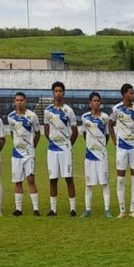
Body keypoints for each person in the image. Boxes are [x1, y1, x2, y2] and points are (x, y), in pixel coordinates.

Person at [109, 83, 134, 218]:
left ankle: (132, 210)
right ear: (124, 95)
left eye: (133, 93)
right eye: (131, 93)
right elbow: (110, 124)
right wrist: (114, 141)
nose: (133, 95)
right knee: (120, 179)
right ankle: (122, 210)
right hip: (121, 148)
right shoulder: (117, 109)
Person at [44, 81, 78, 216]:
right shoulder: (47, 111)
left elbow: (75, 131)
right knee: (53, 179)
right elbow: (46, 129)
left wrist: (68, 145)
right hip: (52, 150)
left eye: (60, 91)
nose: (58, 93)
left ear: (63, 93)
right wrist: (53, 141)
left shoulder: (68, 111)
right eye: (56, 91)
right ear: (53, 93)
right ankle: (53, 209)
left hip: (65, 150)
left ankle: (73, 209)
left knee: (68, 178)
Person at [8, 91, 41, 216]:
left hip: (29, 154)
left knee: (31, 180)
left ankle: (36, 209)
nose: (19, 102)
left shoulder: (32, 116)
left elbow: (37, 133)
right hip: (16, 154)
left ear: (25, 101)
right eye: (17, 100)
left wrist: (32, 147)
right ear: (14, 102)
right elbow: (12, 133)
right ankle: (18, 209)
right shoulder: (10, 117)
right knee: (17, 181)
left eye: (21, 100)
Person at [81, 92, 112, 218]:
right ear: (90, 103)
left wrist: (101, 147)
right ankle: (88, 210)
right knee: (88, 184)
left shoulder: (105, 117)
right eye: (94, 101)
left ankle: (107, 210)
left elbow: (107, 134)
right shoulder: (84, 117)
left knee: (105, 183)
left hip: (102, 155)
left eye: (98, 101)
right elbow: (84, 134)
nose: (96, 103)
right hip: (89, 155)